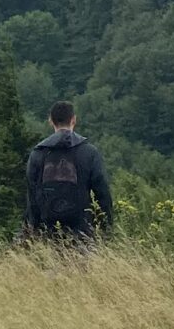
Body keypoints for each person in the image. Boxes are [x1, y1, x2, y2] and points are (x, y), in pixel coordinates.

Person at [26, 103, 115, 248]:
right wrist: (106, 229)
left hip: (48, 233)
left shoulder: (38, 154)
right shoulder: (89, 152)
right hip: (83, 231)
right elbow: (102, 193)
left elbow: (32, 198)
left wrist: (33, 230)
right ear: (74, 120)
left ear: (50, 121)